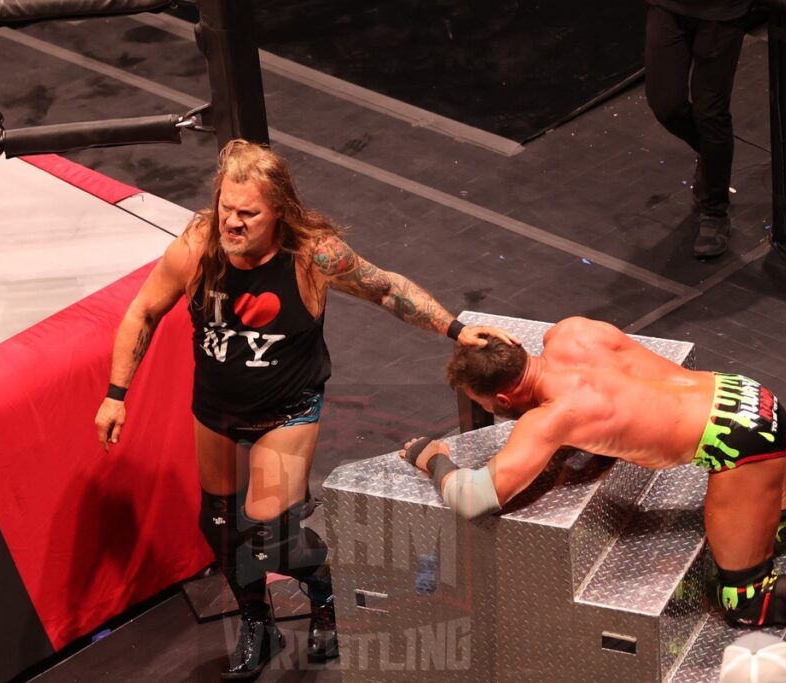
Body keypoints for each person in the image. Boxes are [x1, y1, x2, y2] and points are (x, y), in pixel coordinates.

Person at [94, 139, 515, 680]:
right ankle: (257, 620)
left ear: (278, 213)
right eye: (226, 207)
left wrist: (455, 328)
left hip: (285, 412)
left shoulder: (314, 257)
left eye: (248, 214)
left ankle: (325, 596)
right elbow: (143, 313)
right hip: (216, 410)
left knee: (271, 537)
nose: (233, 223)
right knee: (219, 525)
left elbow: (387, 290)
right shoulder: (197, 246)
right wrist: (115, 393)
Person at [402, 316, 786, 631]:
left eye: (488, 409)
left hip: (734, 439)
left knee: (747, 600)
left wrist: (432, 457)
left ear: (502, 402)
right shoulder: (572, 333)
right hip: (748, 395)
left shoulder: (551, 418)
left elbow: (472, 496)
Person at [644, 0, 753, 258]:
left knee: (710, 113)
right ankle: (712, 157)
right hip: (669, 7)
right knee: (666, 104)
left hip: (721, 13)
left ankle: (714, 211)